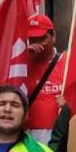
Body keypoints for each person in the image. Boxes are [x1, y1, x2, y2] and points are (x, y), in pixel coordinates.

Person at [24, 14, 66, 143]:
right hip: (28, 135)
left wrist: (68, 105)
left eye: (41, 38)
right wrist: (24, 58)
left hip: (59, 134)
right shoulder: (20, 66)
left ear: (53, 37)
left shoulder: (67, 62)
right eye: (32, 39)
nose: (36, 44)